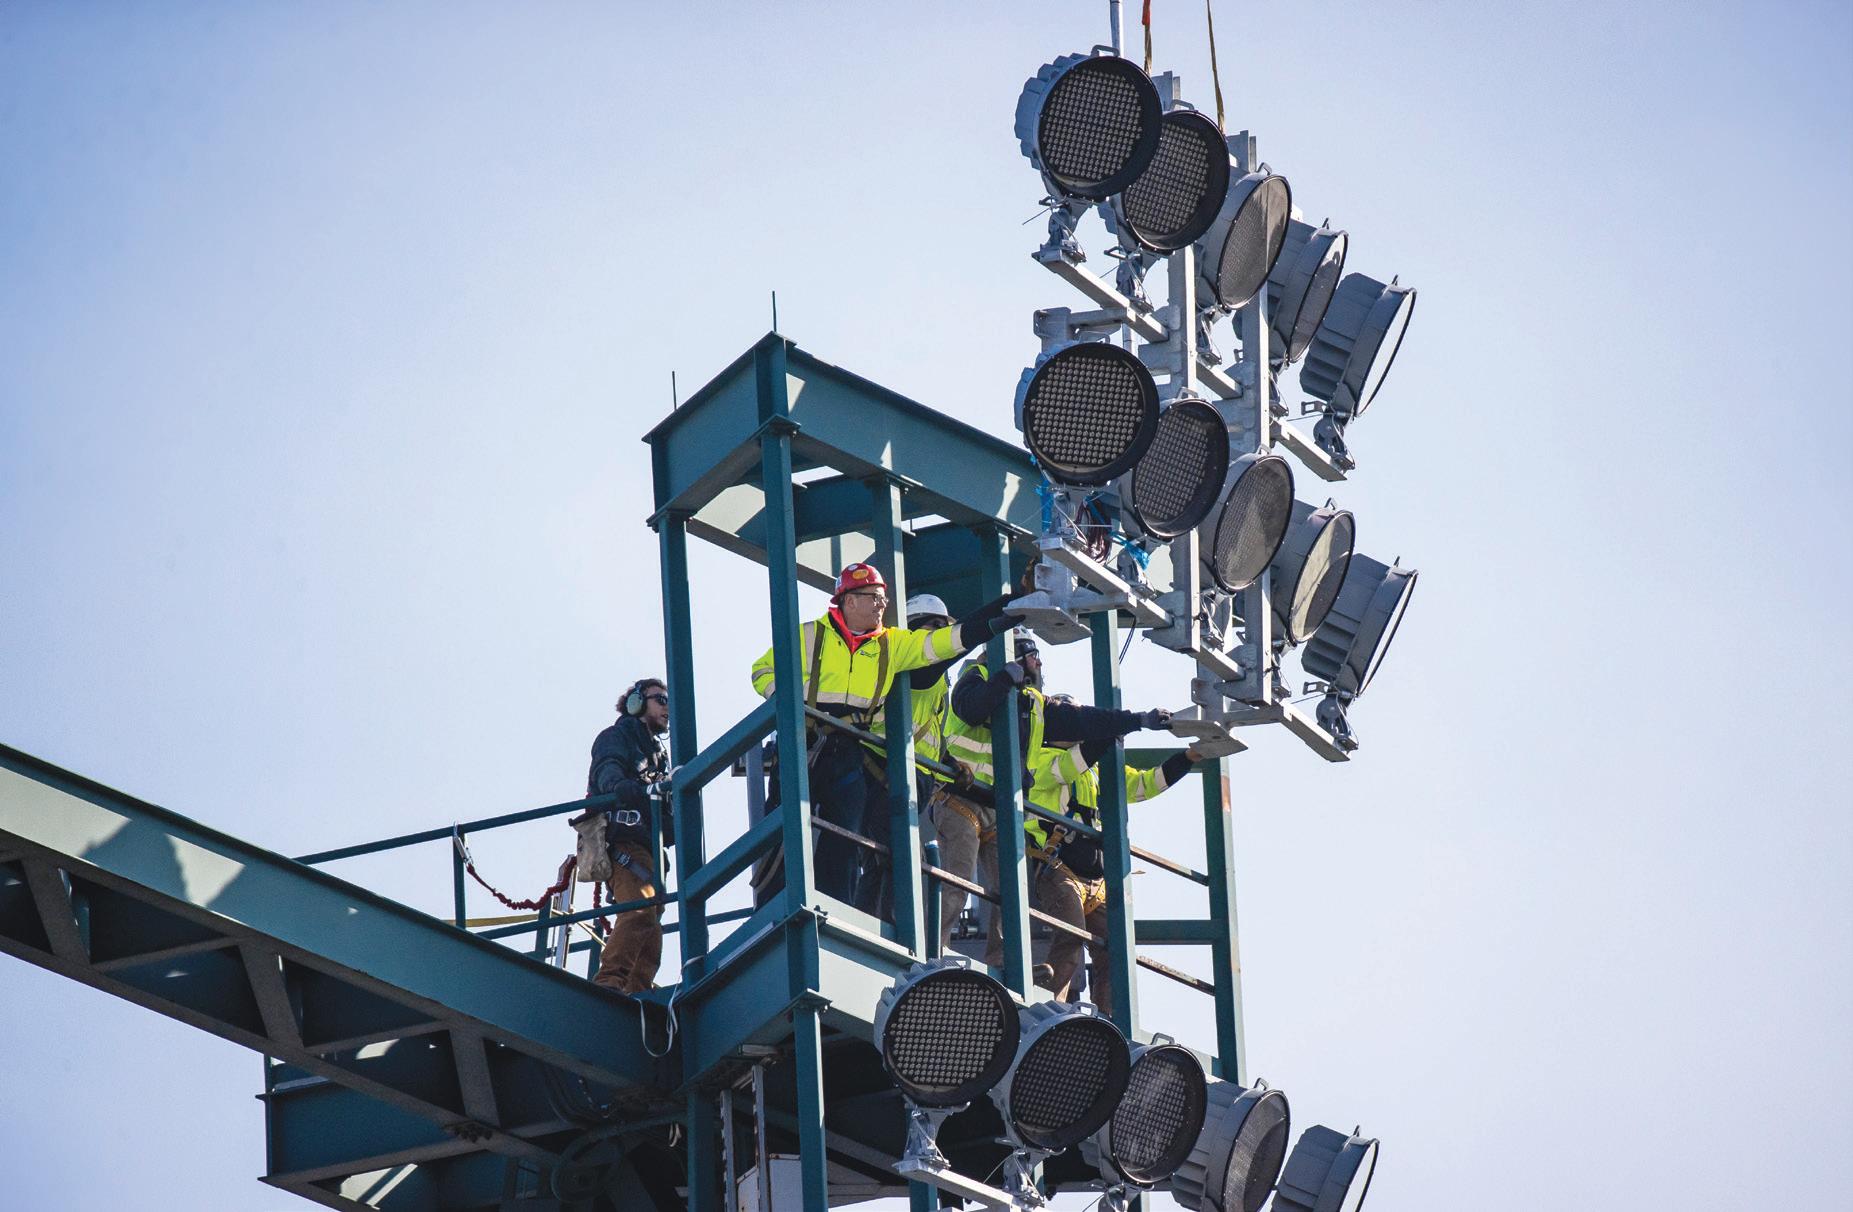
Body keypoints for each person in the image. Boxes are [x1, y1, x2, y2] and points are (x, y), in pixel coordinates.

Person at [749, 563, 1022, 910]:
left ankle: (834, 912)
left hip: (848, 747)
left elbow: (957, 637)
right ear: (848, 600)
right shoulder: (809, 635)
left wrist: (1016, 605)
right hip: (804, 742)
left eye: (883, 599)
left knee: (846, 835)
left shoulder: (891, 645)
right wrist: (792, 701)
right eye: (874, 598)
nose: (881, 605)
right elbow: (762, 671)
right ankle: (772, 913)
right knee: (783, 830)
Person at [932, 633, 1174, 960]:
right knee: (958, 880)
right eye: (1034, 655)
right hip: (961, 796)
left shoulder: (1033, 705)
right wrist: (1004, 679)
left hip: (999, 808)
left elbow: (1083, 719)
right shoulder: (975, 677)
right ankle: (935, 952)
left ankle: (1004, 962)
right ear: (1015, 653)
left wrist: (1137, 720)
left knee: (1011, 892)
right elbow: (972, 709)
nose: (1039, 664)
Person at [1024, 695, 1201, 1017]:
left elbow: (1143, 784)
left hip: (1096, 879)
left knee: (1115, 950)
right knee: (1071, 936)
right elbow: (1068, 767)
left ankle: (1109, 1019)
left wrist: (1188, 757)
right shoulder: (1039, 761)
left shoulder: (1093, 770)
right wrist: (1118, 727)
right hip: (1058, 869)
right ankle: (1049, 1013)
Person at [585, 677, 673, 994]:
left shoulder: (659, 755)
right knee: (639, 912)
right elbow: (606, 769)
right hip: (623, 842)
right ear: (636, 703)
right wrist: (620, 786)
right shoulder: (616, 737)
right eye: (660, 699)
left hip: (650, 848)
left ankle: (637, 992)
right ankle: (610, 981)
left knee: (651, 928)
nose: (667, 707)